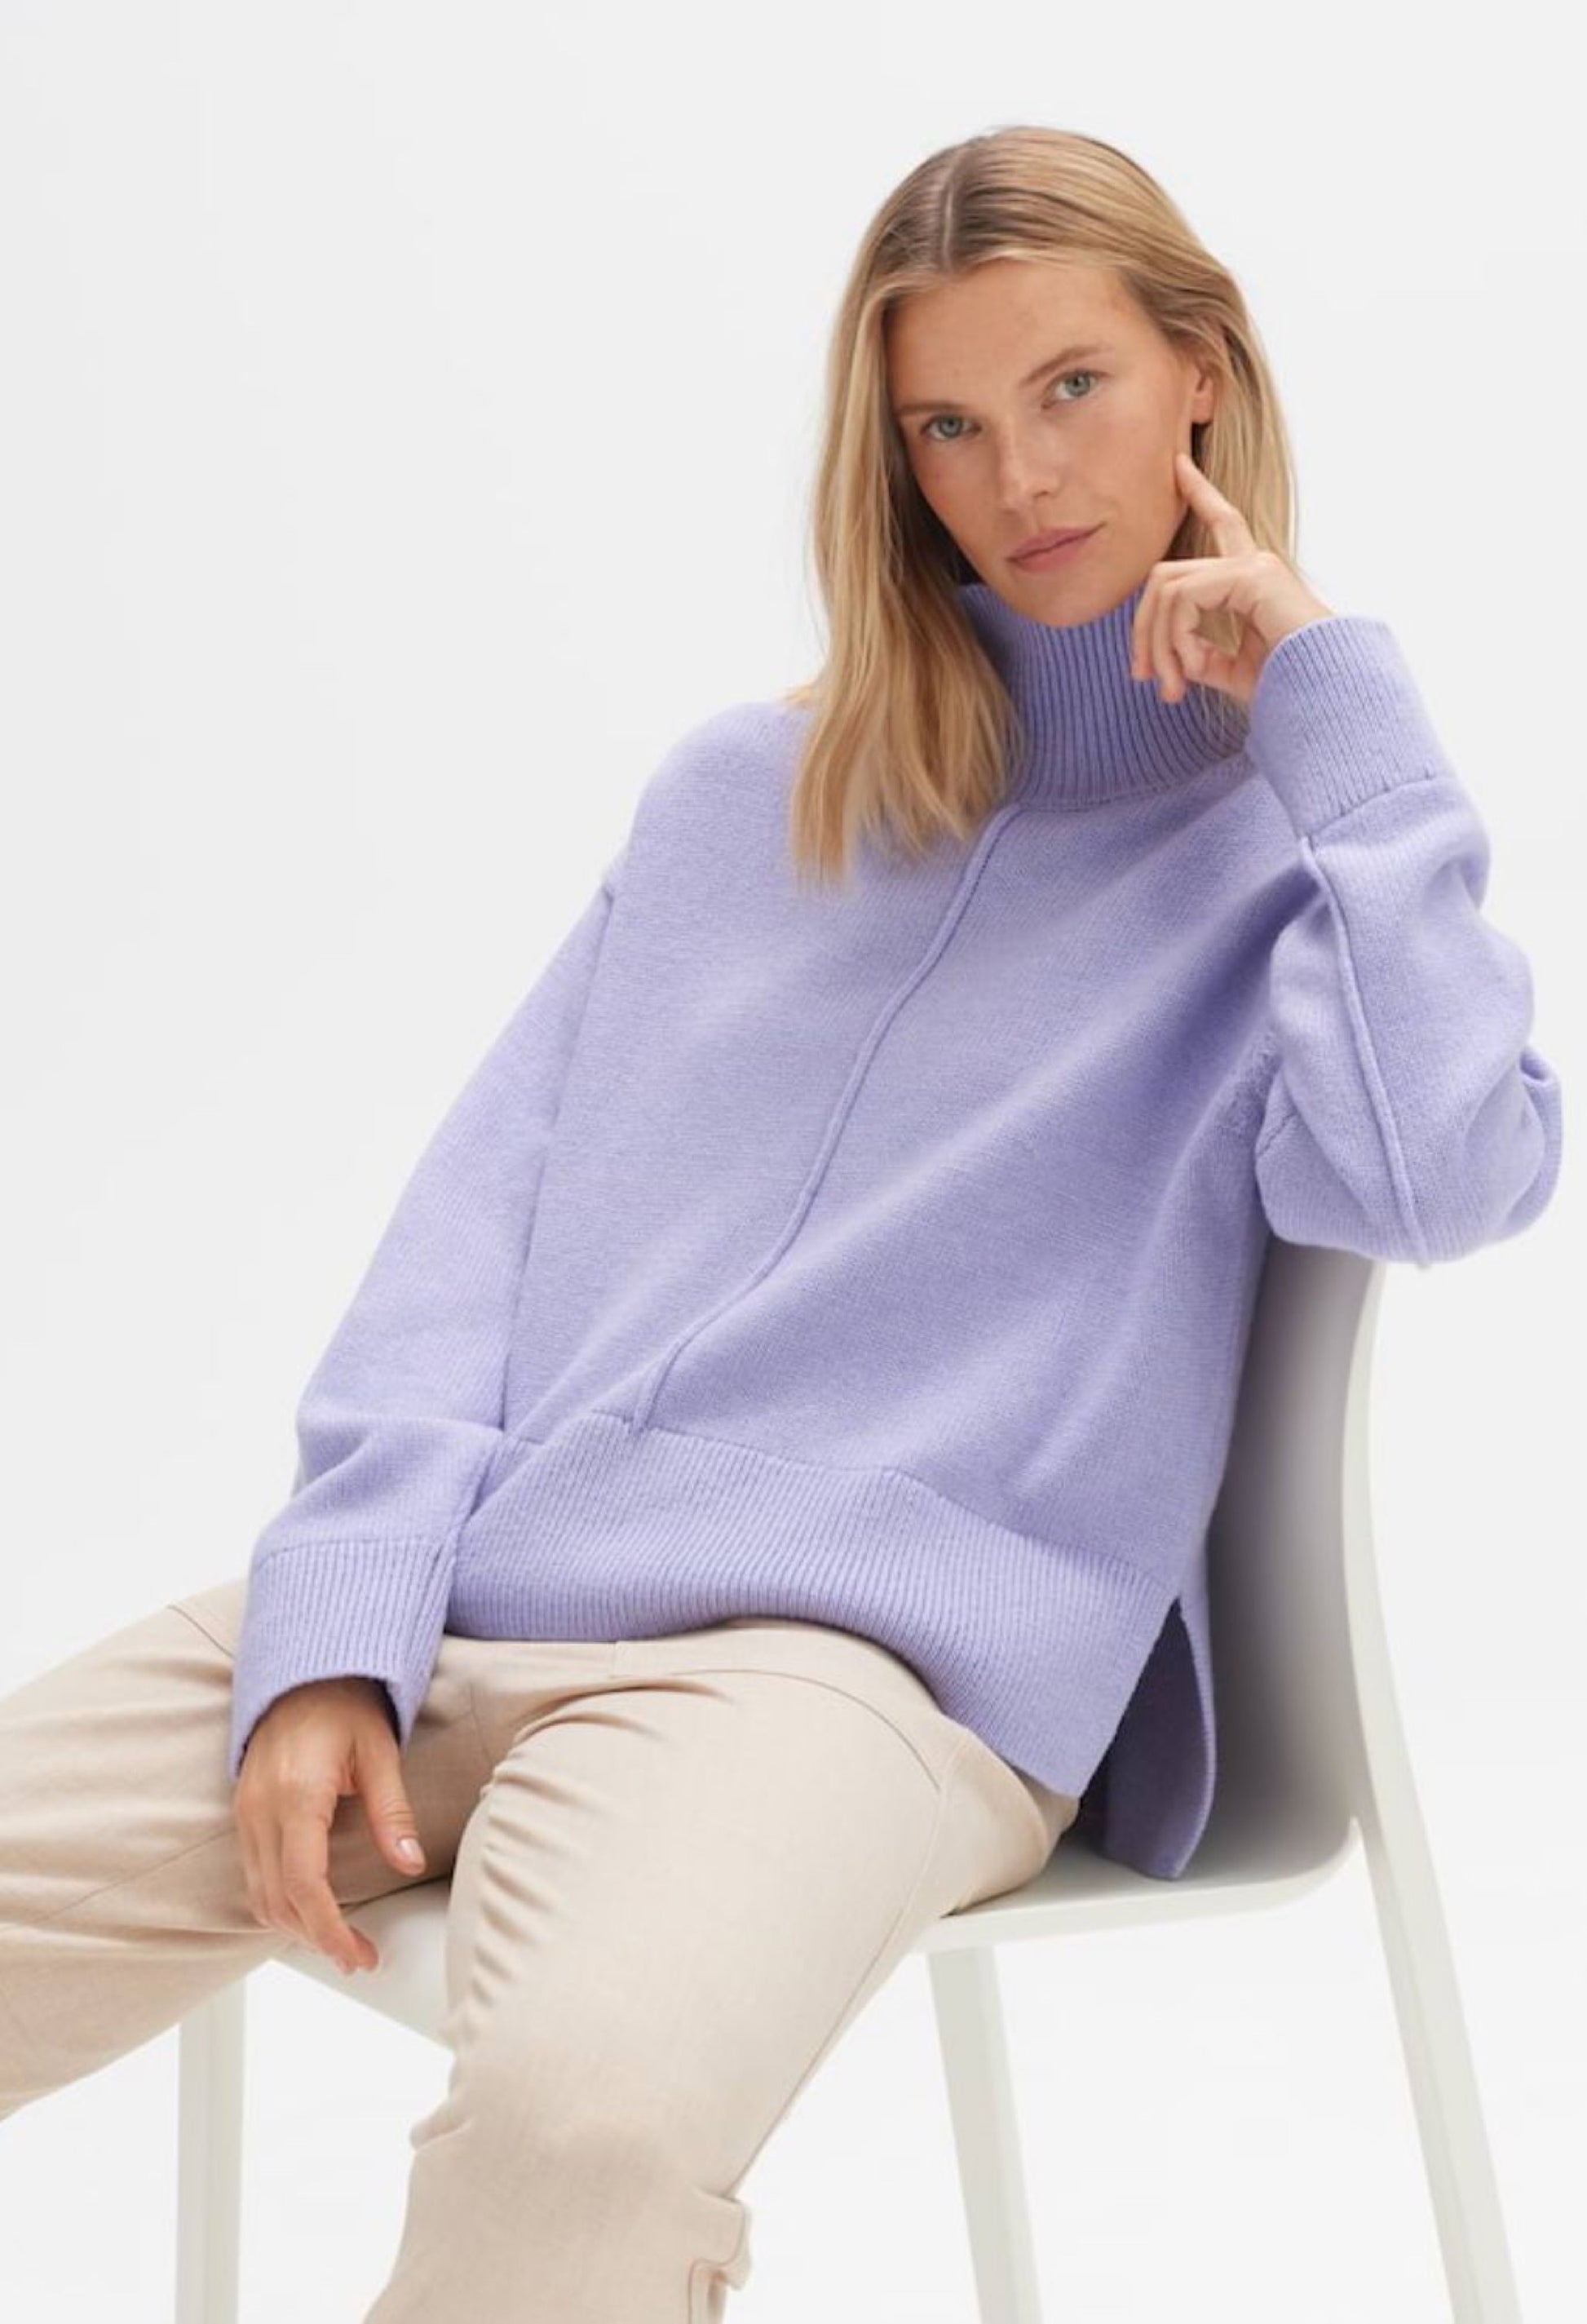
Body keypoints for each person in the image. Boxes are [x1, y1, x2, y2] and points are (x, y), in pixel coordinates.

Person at [0, 123, 1562, 2322]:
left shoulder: (1296, 856)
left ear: (1199, 372)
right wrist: (337, 1615)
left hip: (847, 1686)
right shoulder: (748, 796)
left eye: (1072, 387)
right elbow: (472, 1240)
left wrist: (1340, 716)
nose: (1019, 475)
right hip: (463, 1599)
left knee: (587, 2137)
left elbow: (1440, 1177)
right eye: (946, 424)